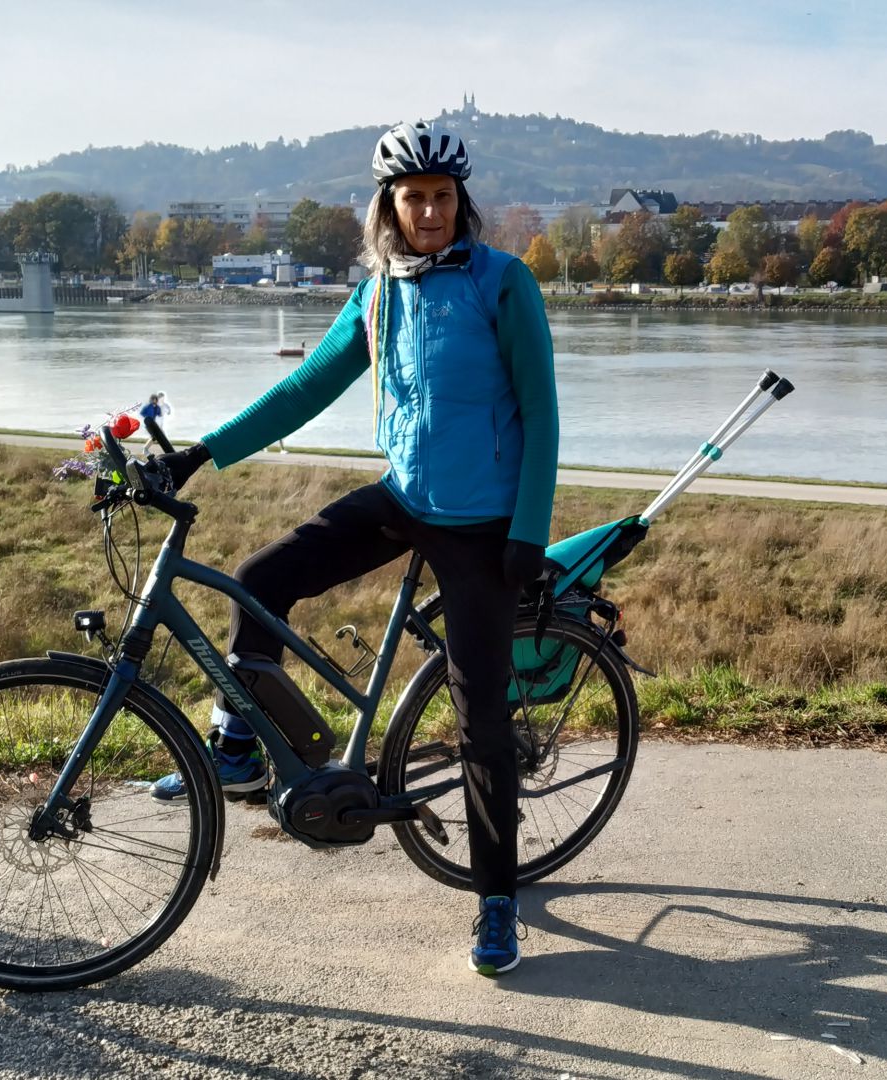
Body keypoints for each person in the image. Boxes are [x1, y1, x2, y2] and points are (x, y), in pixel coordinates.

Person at [149, 119, 558, 976]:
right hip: (407, 498)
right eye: (413, 198)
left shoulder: (502, 284)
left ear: (461, 203)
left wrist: (528, 533)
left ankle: (494, 902)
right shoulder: (379, 294)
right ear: (389, 206)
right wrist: (201, 453)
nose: (429, 211)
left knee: (480, 717)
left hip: (483, 525)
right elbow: (303, 389)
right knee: (263, 578)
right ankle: (239, 753)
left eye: (442, 197)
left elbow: (543, 414)